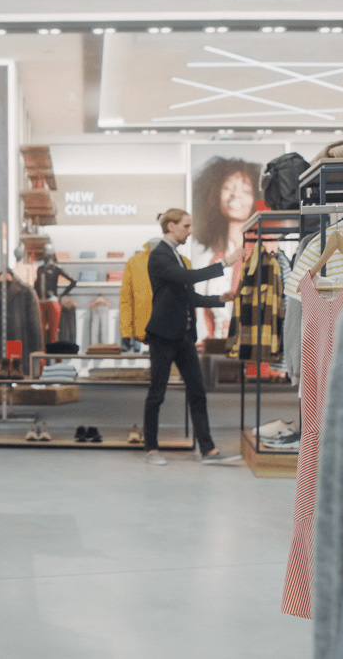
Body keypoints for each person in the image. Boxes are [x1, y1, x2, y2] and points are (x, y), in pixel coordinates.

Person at [143, 208, 243, 466]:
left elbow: (188, 295)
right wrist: (226, 263)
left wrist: (219, 299)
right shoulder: (159, 257)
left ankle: (208, 450)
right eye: (186, 226)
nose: (190, 231)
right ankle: (152, 449)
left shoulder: (176, 257)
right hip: (163, 336)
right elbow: (187, 278)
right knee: (157, 393)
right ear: (171, 227)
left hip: (184, 336)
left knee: (198, 391)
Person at [191, 156, 263, 338]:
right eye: (228, 188)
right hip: (217, 346)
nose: (235, 195)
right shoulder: (214, 259)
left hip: (247, 348)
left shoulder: (261, 254)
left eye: (246, 190)